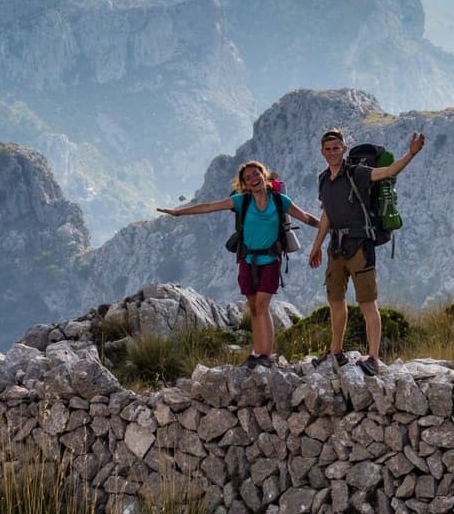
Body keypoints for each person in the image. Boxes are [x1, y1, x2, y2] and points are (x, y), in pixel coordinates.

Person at [156, 160, 320, 363]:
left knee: (261, 306)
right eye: (248, 178)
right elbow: (209, 207)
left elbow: (305, 217)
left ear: (264, 175)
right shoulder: (242, 201)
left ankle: (266, 354)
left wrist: (327, 226)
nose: (253, 179)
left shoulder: (280, 200)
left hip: (270, 260)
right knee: (253, 308)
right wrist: (179, 212)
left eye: (256, 174)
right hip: (247, 259)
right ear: (244, 184)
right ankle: (257, 352)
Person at [307, 127, 426, 375]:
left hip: (361, 246)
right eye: (328, 149)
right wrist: (316, 247)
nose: (332, 153)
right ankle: (336, 351)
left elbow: (389, 171)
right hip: (336, 249)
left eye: (336, 148)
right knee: (335, 301)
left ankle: (373, 357)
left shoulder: (357, 173)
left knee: (367, 303)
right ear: (322, 152)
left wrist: (411, 154)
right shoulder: (323, 180)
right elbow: (327, 214)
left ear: (344, 149)